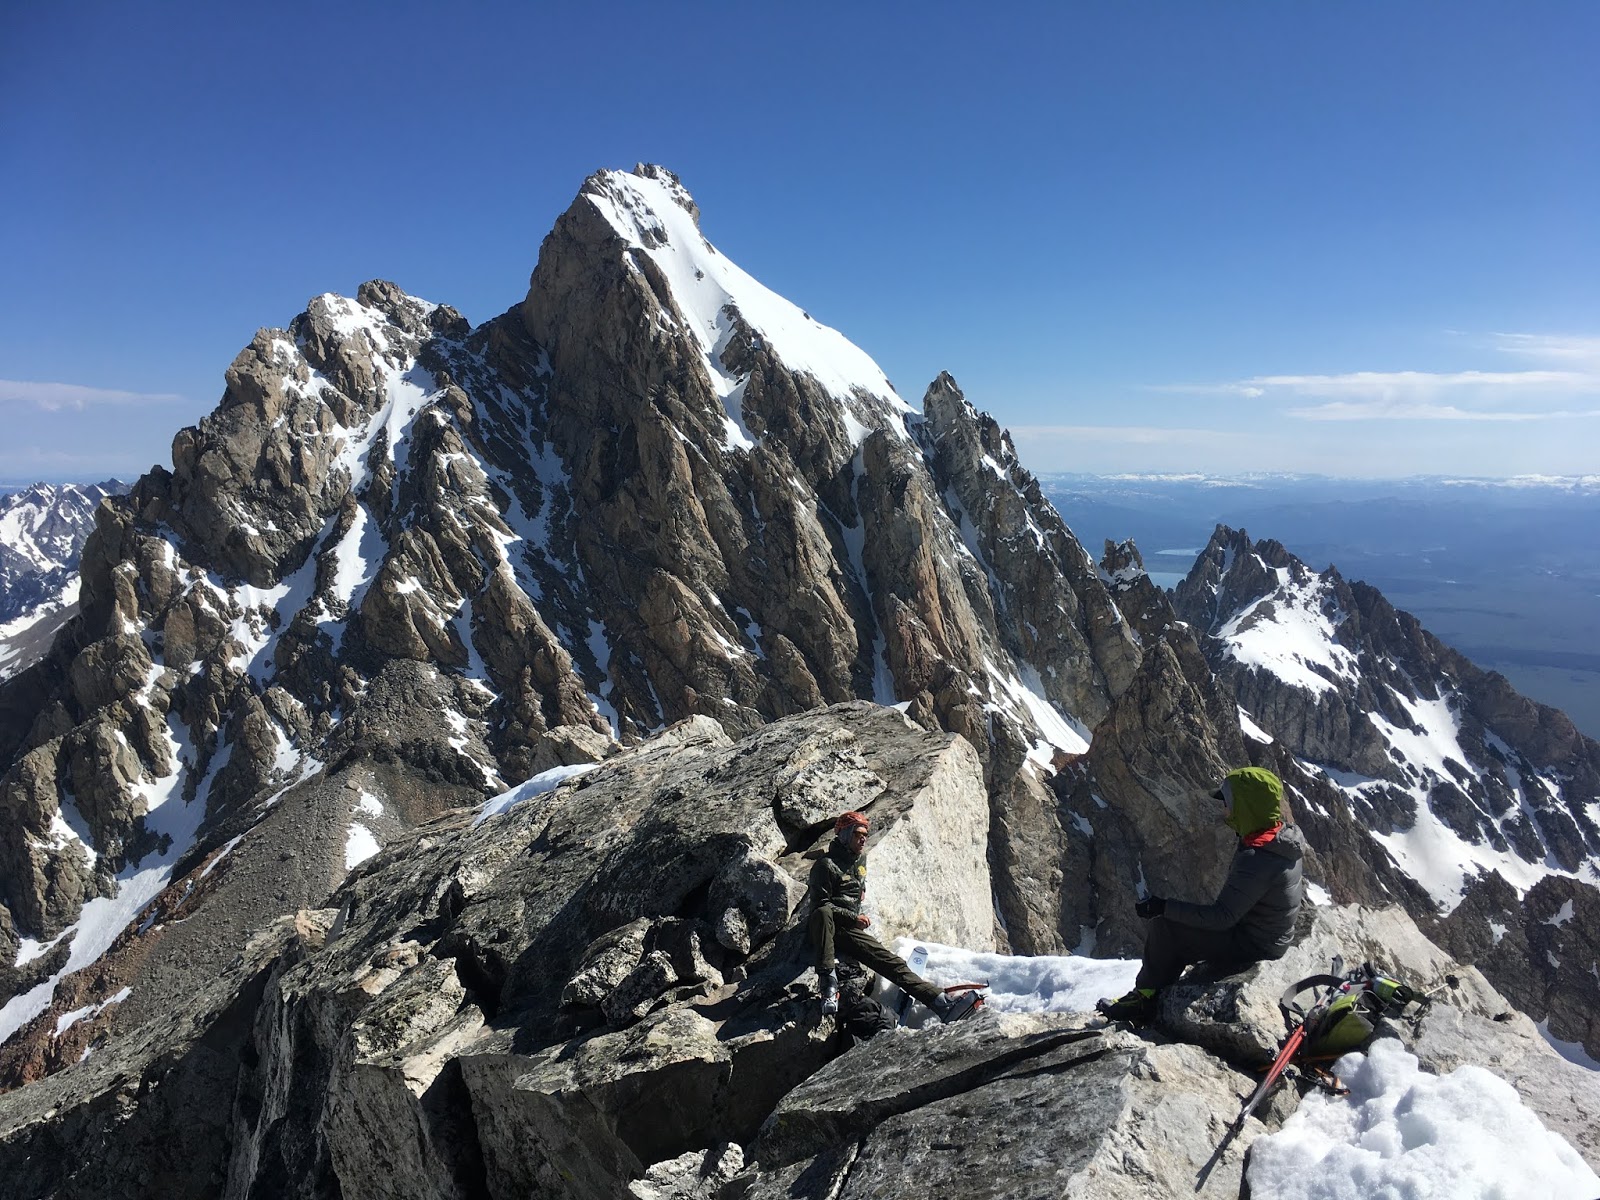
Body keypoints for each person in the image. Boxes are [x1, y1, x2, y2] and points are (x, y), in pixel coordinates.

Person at [1097, 766, 1305, 1024]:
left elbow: (1222, 918)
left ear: (1246, 807)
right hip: (1270, 935)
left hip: (1256, 944)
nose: (1225, 810)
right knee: (1181, 925)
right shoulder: (1281, 838)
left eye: (1229, 804)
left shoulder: (1258, 858)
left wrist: (1163, 907)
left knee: (1167, 928)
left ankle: (1144, 999)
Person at [808, 810, 976, 1022]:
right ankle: (829, 986)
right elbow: (820, 906)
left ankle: (940, 1002)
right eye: (858, 833)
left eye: (865, 834)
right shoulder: (825, 865)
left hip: (849, 930)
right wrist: (853, 919)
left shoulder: (860, 860)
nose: (863, 838)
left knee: (891, 963)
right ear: (844, 835)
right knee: (823, 913)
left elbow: (857, 885)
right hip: (830, 927)